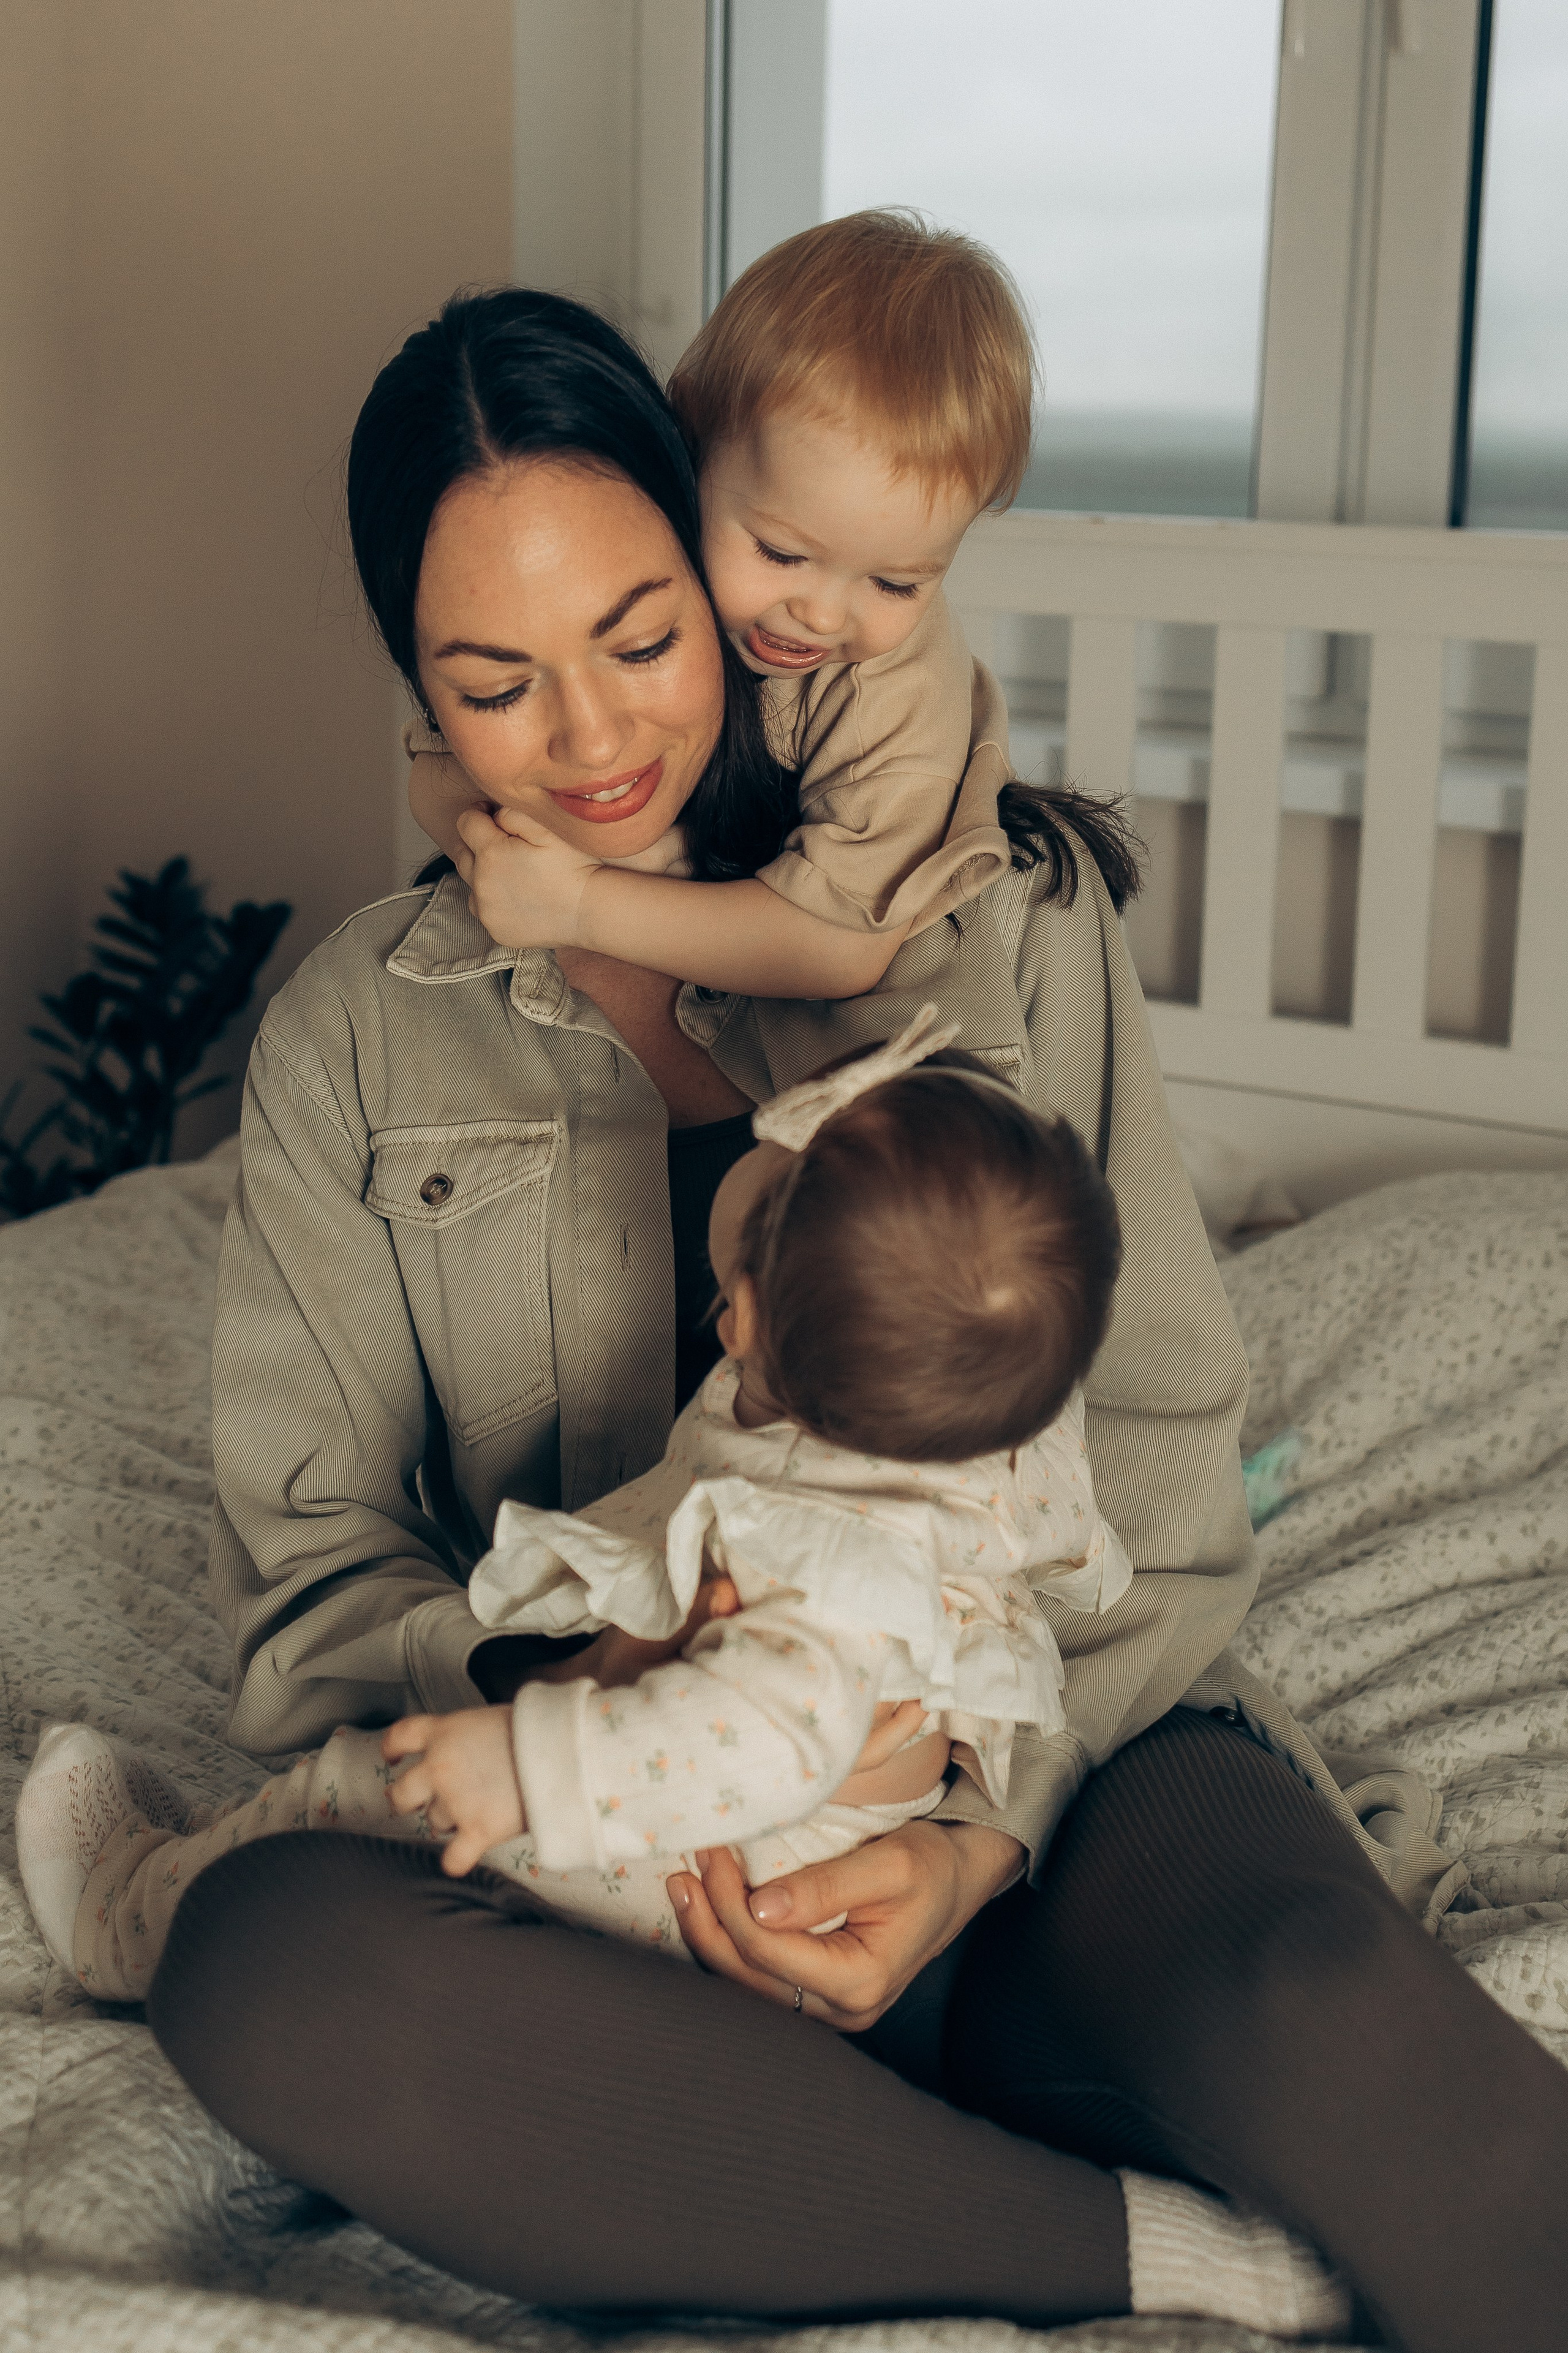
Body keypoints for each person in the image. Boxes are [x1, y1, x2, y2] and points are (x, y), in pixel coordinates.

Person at [59, 288, 1568, 2351]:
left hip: (1044, 1769)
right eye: (495, 684)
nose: (593, 743)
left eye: (641, 637)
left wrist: (967, 1827)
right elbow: (317, 1577)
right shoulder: (349, 1038)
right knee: (263, 1963)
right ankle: (1123, 2246)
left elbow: (1155, 1461)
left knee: (1313, 2003)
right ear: (413, 691)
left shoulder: (995, 910)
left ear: (728, 569)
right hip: (605, 1848)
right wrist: (589, 1697)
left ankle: (818, 2138)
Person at [23, 1013, 1139, 1990]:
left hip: (722, 1858)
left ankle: (124, 1912)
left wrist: (526, 1766)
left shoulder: (824, 1553)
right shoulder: (974, 1417)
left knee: (362, 1785)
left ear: (740, 1320)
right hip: (756, 1837)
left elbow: (762, 1741)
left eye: (767, 1153)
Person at [404, 210, 1029, 1000]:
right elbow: (434, 770)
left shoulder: (893, 687)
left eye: (897, 584)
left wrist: (583, 901)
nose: (825, 617)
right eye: (781, 554)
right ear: (690, 440)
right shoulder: (641, 563)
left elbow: (834, 950)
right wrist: (489, 854)